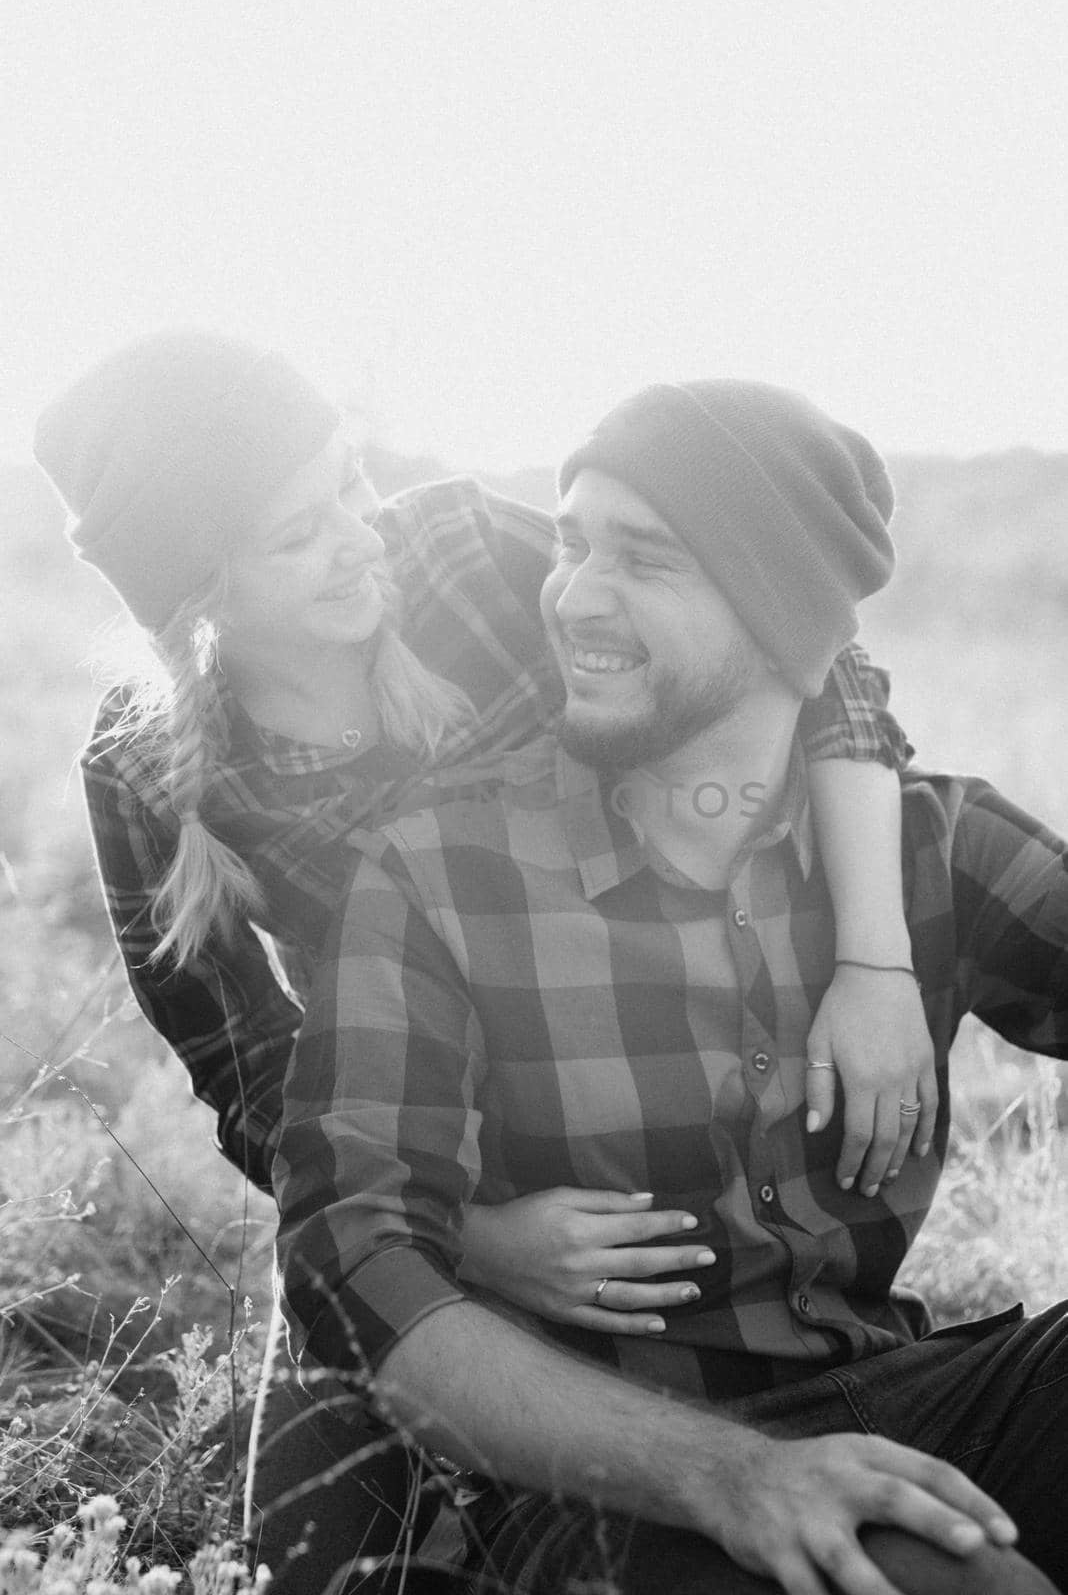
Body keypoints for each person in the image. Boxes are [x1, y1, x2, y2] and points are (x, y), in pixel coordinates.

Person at [38, 337, 925, 1592]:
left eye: (349, 483)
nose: (361, 536)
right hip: (418, 1163)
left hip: (650, 1086)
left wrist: (876, 964)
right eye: (302, 533)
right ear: (201, 594)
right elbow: (248, 1072)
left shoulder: (467, 554)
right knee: (307, 1558)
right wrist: (470, 1237)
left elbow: (801, 649)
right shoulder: (142, 772)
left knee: (719, 1462)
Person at [273, 379, 1068, 1595]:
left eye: (644, 560)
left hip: (919, 1400)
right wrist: (731, 1475)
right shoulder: (441, 874)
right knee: (934, 1580)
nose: (575, 593)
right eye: (574, 540)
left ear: (781, 618)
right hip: (605, 1494)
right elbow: (351, 1260)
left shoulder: (932, 846)